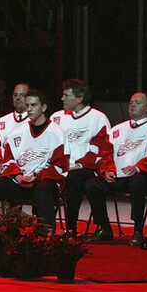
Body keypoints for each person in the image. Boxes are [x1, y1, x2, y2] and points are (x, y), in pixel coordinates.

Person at [0, 89, 69, 228]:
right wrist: (18, 176)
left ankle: (46, 234)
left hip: (43, 181)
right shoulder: (17, 133)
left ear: (44, 107)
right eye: (27, 105)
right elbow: (8, 161)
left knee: (43, 190)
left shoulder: (57, 133)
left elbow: (60, 166)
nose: (29, 109)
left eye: (33, 105)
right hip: (20, 181)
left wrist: (36, 177)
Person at [84, 92, 147, 246]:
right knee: (92, 185)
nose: (133, 105)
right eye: (131, 102)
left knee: (137, 182)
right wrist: (108, 170)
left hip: (142, 177)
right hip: (117, 176)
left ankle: (138, 230)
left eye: (138, 103)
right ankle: (104, 227)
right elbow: (104, 154)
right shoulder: (117, 130)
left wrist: (137, 168)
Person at [50, 79, 113, 234]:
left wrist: (79, 165)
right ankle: (43, 226)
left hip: (87, 169)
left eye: (66, 95)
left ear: (80, 98)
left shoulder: (98, 118)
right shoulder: (56, 117)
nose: (62, 98)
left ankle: (71, 229)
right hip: (60, 167)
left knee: (73, 178)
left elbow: (100, 149)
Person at [0, 83, 30, 174]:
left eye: (22, 95)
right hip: (4, 171)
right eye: (15, 95)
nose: (18, 98)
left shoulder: (35, 122)